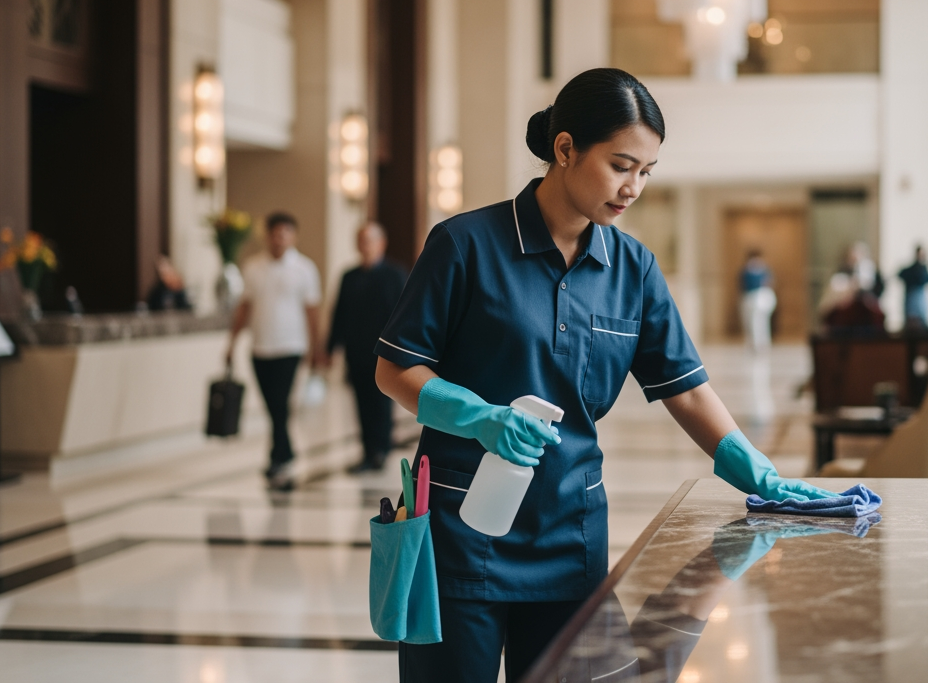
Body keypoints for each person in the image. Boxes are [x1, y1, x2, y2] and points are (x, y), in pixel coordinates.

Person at [373, 68, 840, 682]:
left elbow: (686, 389)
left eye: (646, 172)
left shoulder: (633, 268)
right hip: (461, 537)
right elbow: (394, 367)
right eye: (621, 165)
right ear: (565, 149)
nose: (633, 188)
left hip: (572, 541)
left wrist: (758, 471)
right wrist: (477, 417)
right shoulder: (465, 245)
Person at [226, 212, 325, 491]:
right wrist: (232, 342)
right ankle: (286, 451)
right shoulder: (253, 267)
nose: (279, 238)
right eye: (275, 233)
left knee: (280, 404)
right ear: (267, 235)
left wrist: (316, 347)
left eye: (285, 233)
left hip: (291, 347)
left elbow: (312, 311)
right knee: (273, 406)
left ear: (293, 236)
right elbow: (244, 307)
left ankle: (277, 457)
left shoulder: (305, 269)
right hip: (260, 347)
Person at [326, 222, 408, 473]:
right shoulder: (349, 277)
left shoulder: (395, 275)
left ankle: (381, 450)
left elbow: (404, 315)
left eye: (370, 240)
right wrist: (330, 348)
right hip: (357, 352)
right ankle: (367, 452)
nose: (366, 246)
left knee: (382, 403)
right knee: (361, 403)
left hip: (385, 354)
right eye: (361, 241)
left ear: (381, 244)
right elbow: (339, 314)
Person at [738, 250, 776, 349]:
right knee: (752, 322)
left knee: (758, 322)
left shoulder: (763, 270)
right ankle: (755, 342)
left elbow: (769, 283)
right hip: (750, 297)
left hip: (759, 297)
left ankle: (760, 343)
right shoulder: (747, 270)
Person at [898, 245, 928, 330]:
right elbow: (901, 274)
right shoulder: (910, 270)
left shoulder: (923, 270)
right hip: (911, 299)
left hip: (920, 299)